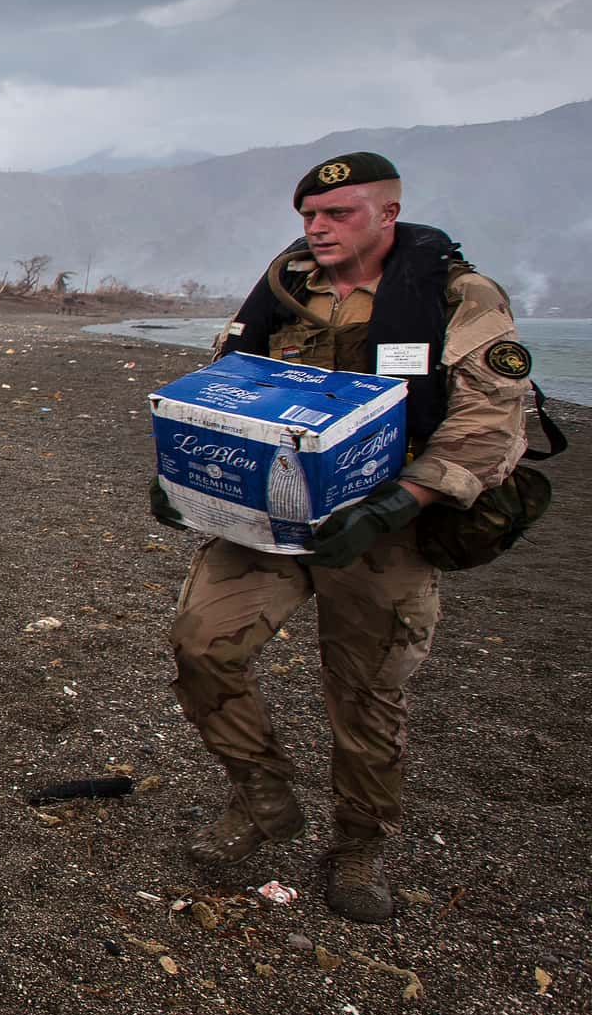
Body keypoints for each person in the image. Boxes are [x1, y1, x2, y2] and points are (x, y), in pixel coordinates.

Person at [160, 152, 533, 924]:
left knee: (366, 695)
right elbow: (225, 386)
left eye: (338, 215)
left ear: (388, 214)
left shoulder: (455, 296)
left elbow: (491, 422)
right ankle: (261, 797)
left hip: (390, 524)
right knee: (203, 644)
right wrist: (183, 473)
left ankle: (358, 844)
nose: (318, 229)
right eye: (308, 217)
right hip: (274, 514)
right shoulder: (285, 288)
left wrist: (399, 501)